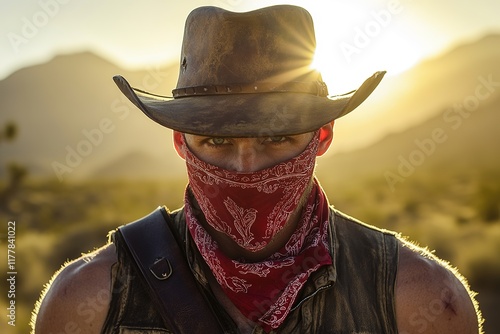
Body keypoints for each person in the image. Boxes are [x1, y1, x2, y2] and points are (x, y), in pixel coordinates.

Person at [32, 5, 483, 333]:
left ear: (322, 136)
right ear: (180, 143)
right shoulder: (87, 302)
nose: (246, 169)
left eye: (276, 140)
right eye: (217, 142)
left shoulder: (420, 302)